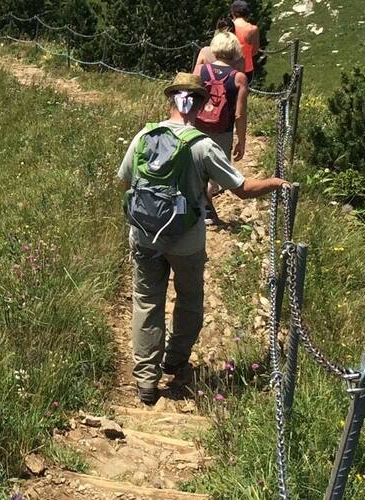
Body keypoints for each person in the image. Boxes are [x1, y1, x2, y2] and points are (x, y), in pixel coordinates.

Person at [117, 73, 286, 406]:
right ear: (199, 105)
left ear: (172, 100)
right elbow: (242, 189)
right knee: (190, 298)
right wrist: (277, 183)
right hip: (187, 241)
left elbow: (125, 182)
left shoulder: (144, 136)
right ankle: (174, 360)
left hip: (145, 236)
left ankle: (146, 380)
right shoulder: (203, 146)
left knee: (147, 301)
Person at [195, 32, 250, 225]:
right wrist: (241, 141)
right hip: (223, 131)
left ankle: (198, 206)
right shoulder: (239, 78)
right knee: (215, 175)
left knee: (196, 167)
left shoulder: (200, 71)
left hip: (197, 126)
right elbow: (239, 115)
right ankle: (204, 208)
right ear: (235, 50)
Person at [231, 1, 260, 81]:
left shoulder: (227, 25)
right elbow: (255, 51)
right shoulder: (253, 29)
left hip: (229, 67)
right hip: (246, 68)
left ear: (233, 13)